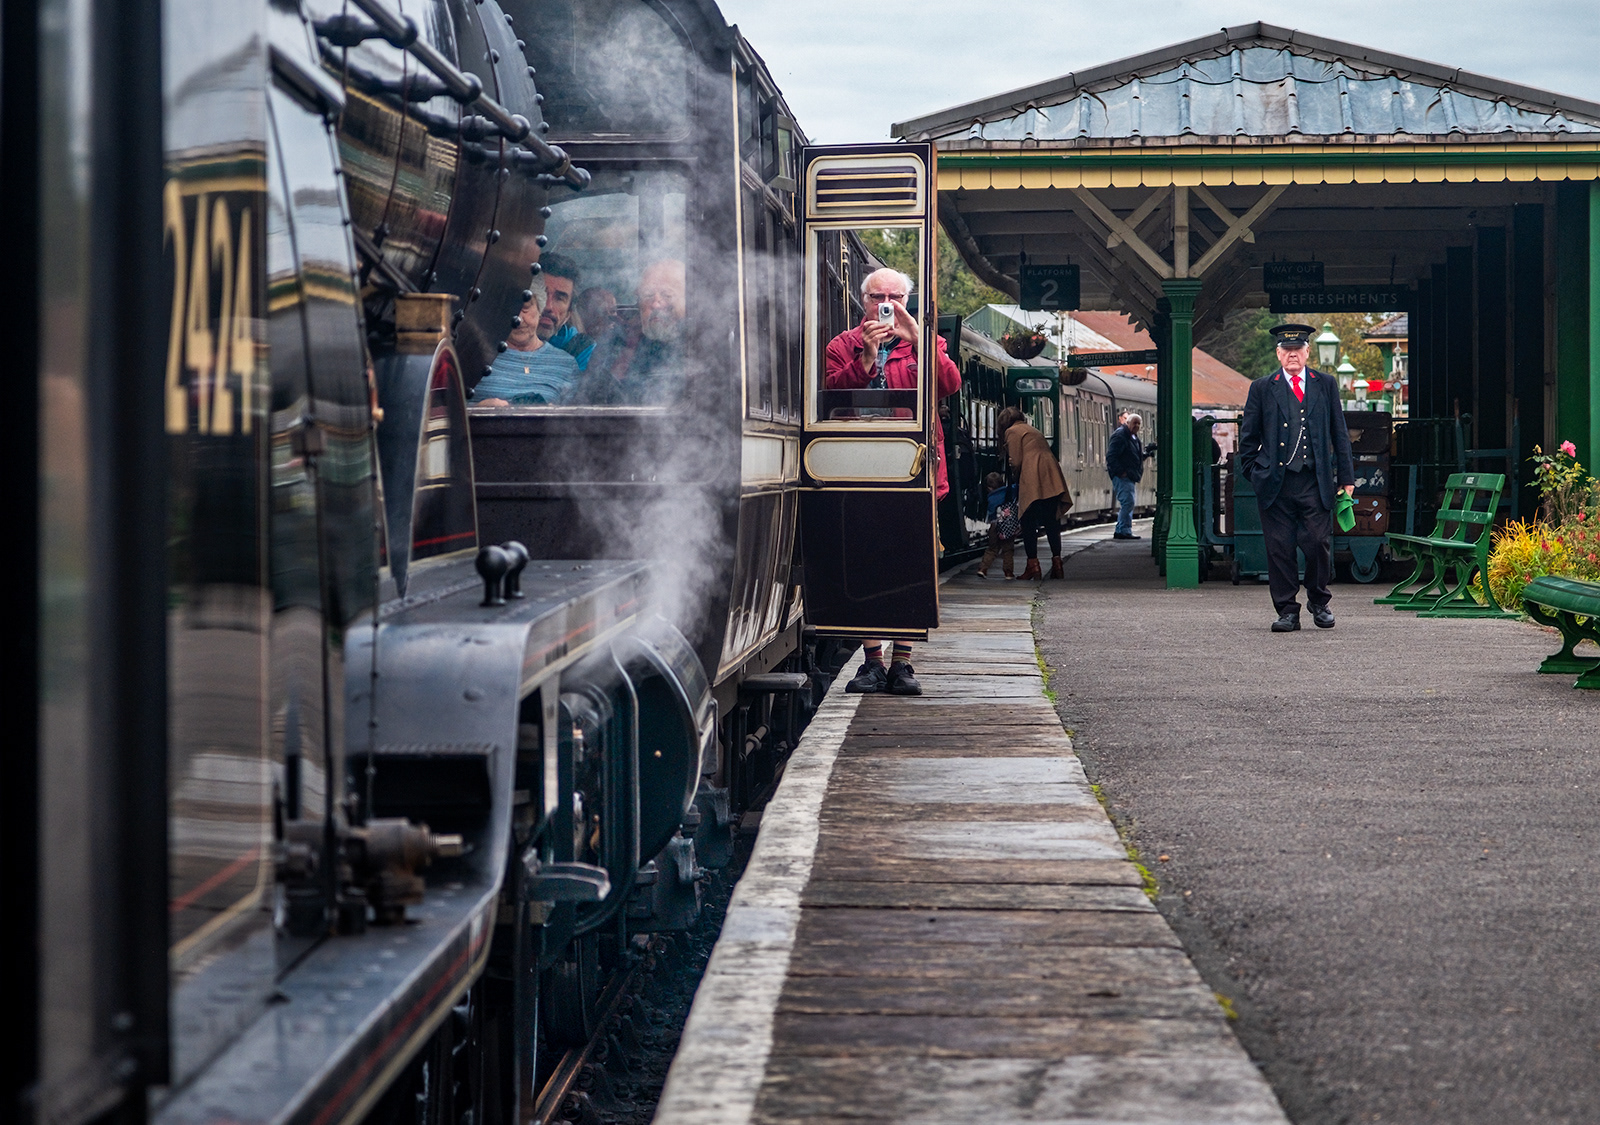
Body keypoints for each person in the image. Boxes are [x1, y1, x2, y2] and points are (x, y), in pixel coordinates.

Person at [825, 267, 962, 697]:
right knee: (864, 564)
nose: (886, 304)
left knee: (912, 565)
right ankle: (872, 661)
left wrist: (918, 338)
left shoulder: (926, 342)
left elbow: (948, 384)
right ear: (862, 301)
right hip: (859, 468)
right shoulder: (842, 346)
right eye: (877, 296)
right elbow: (831, 395)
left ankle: (902, 661)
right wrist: (865, 359)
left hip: (912, 469)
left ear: (907, 301)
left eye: (895, 297)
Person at [1238, 322, 1355, 632]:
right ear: (1278, 354)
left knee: (1317, 543)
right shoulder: (1262, 387)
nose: (1292, 354)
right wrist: (1255, 473)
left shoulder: (1325, 384)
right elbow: (1247, 438)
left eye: (1297, 349)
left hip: (1315, 481)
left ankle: (1319, 600)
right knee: (1279, 548)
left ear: (1307, 352)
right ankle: (1287, 610)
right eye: (1286, 350)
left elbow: (1339, 432)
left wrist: (1346, 477)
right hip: (1275, 484)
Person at [565, 260, 685, 405]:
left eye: (667, 295)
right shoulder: (616, 345)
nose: (655, 304)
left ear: (688, 300)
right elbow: (587, 400)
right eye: (648, 295)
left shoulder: (698, 346)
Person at [468, 275, 581, 406]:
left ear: (540, 308)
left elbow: (577, 415)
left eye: (525, 307)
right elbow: (451, 409)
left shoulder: (565, 365)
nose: (518, 319)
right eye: (509, 307)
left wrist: (555, 414)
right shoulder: (474, 356)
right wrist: (479, 409)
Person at [999, 405, 1072, 580]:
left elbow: (1016, 461)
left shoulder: (1012, 431)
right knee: (1051, 521)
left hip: (1032, 476)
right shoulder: (1033, 430)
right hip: (1051, 475)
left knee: (1028, 521)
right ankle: (1057, 564)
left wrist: (1015, 477)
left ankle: (1033, 566)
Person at [536, 253, 596, 369]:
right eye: (542, 293)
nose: (548, 306)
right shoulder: (501, 339)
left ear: (569, 313)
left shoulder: (581, 350)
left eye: (559, 298)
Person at [1106, 411, 1156, 540]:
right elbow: (1111, 456)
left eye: (1139, 424)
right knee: (1128, 502)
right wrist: (1120, 472)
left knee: (1128, 502)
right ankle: (1123, 530)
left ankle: (1122, 529)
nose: (1136, 426)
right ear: (1127, 423)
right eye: (1134, 423)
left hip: (1129, 475)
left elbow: (1133, 456)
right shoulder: (1121, 436)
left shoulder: (1132, 437)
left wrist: (1147, 453)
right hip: (1123, 476)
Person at [976, 471, 1016, 580]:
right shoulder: (1009, 491)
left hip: (994, 526)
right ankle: (1008, 572)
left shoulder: (991, 498)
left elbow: (990, 513)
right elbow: (1017, 487)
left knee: (992, 548)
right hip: (1007, 526)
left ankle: (983, 568)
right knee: (1008, 550)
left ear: (989, 488)